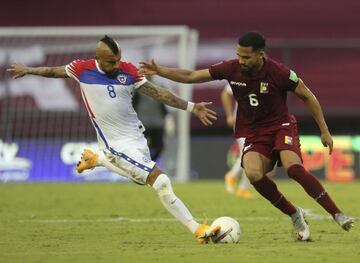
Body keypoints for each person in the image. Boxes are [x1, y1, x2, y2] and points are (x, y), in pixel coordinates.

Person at [139, 31, 354, 241]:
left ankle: (337, 213)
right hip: (253, 132)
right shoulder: (231, 69)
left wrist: (324, 130)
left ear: (260, 54)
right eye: (238, 55)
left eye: (246, 56)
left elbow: (308, 96)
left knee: (293, 169)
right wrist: (160, 71)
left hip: (281, 126)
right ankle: (295, 214)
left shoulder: (279, 72)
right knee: (252, 174)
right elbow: (192, 76)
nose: (240, 60)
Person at [7, 35, 220, 244]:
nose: (117, 64)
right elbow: (54, 71)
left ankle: (98, 160)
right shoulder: (82, 69)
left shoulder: (127, 71)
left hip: (136, 137)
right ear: (98, 58)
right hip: (115, 143)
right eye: (111, 61)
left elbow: (159, 93)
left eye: (118, 59)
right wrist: (29, 70)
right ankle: (197, 229)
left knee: (141, 180)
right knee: (161, 180)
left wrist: (191, 107)